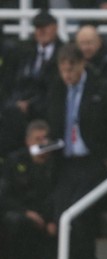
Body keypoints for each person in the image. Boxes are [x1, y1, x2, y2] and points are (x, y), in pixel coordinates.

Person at [46, 43, 107, 259]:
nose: (67, 76)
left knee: (81, 216)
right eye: (63, 71)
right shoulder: (57, 90)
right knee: (60, 215)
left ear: (81, 64)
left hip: (92, 161)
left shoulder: (101, 88)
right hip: (66, 162)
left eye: (71, 70)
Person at [0, 119, 58, 259]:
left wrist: (51, 218)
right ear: (28, 141)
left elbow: (56, 195)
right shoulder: (15, 161)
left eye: (44, 138)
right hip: (22, 215)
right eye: (37, 139)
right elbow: (6, 195)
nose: (41, 143)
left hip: (46, 217)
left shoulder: (55, 164)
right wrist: (26, 212)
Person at [0, 9, 62, 160]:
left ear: (55, 28)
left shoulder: (63, 53)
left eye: (44, 27)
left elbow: (56, 89)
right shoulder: (24, 52)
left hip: (44, 113)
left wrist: (31, 104)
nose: (40, 32)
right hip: (15, 113)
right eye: (37, 28)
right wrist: (14, 102)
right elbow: (10, 81)